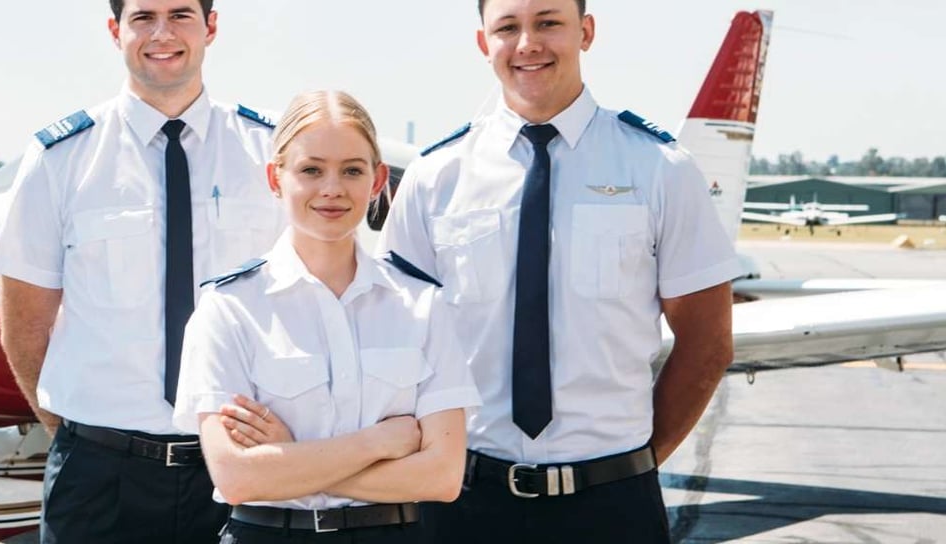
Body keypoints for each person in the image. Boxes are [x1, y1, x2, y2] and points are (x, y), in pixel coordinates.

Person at [377, 0, 738, 542]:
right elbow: (396, 341)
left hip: (611, 504)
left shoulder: (660, 169)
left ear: (585, 32)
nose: (528, 43)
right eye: (507, 27)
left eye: (548, 22)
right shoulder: (435, 178)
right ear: (484, 43)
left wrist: (631, 465)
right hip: (463, 501)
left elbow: (708, 342)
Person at [0, 0, 284, 541]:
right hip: (99, 475)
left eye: (181, 15)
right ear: (114, 31)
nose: (162, 33)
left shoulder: (269, 152)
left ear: (211, 27)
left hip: (240, 467)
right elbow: (25, 323)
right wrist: (73, 433)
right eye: (143, 17)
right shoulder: (61, 157)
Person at [172, 90, 482, 543]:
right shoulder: (230, 309)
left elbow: (441, 476)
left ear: (377, 182)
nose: (332, 189)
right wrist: (374, 446)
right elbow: (237, 478)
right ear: (275, 179)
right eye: (311, 170)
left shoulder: (421, 306)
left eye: (352, 171)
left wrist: (290, 458)